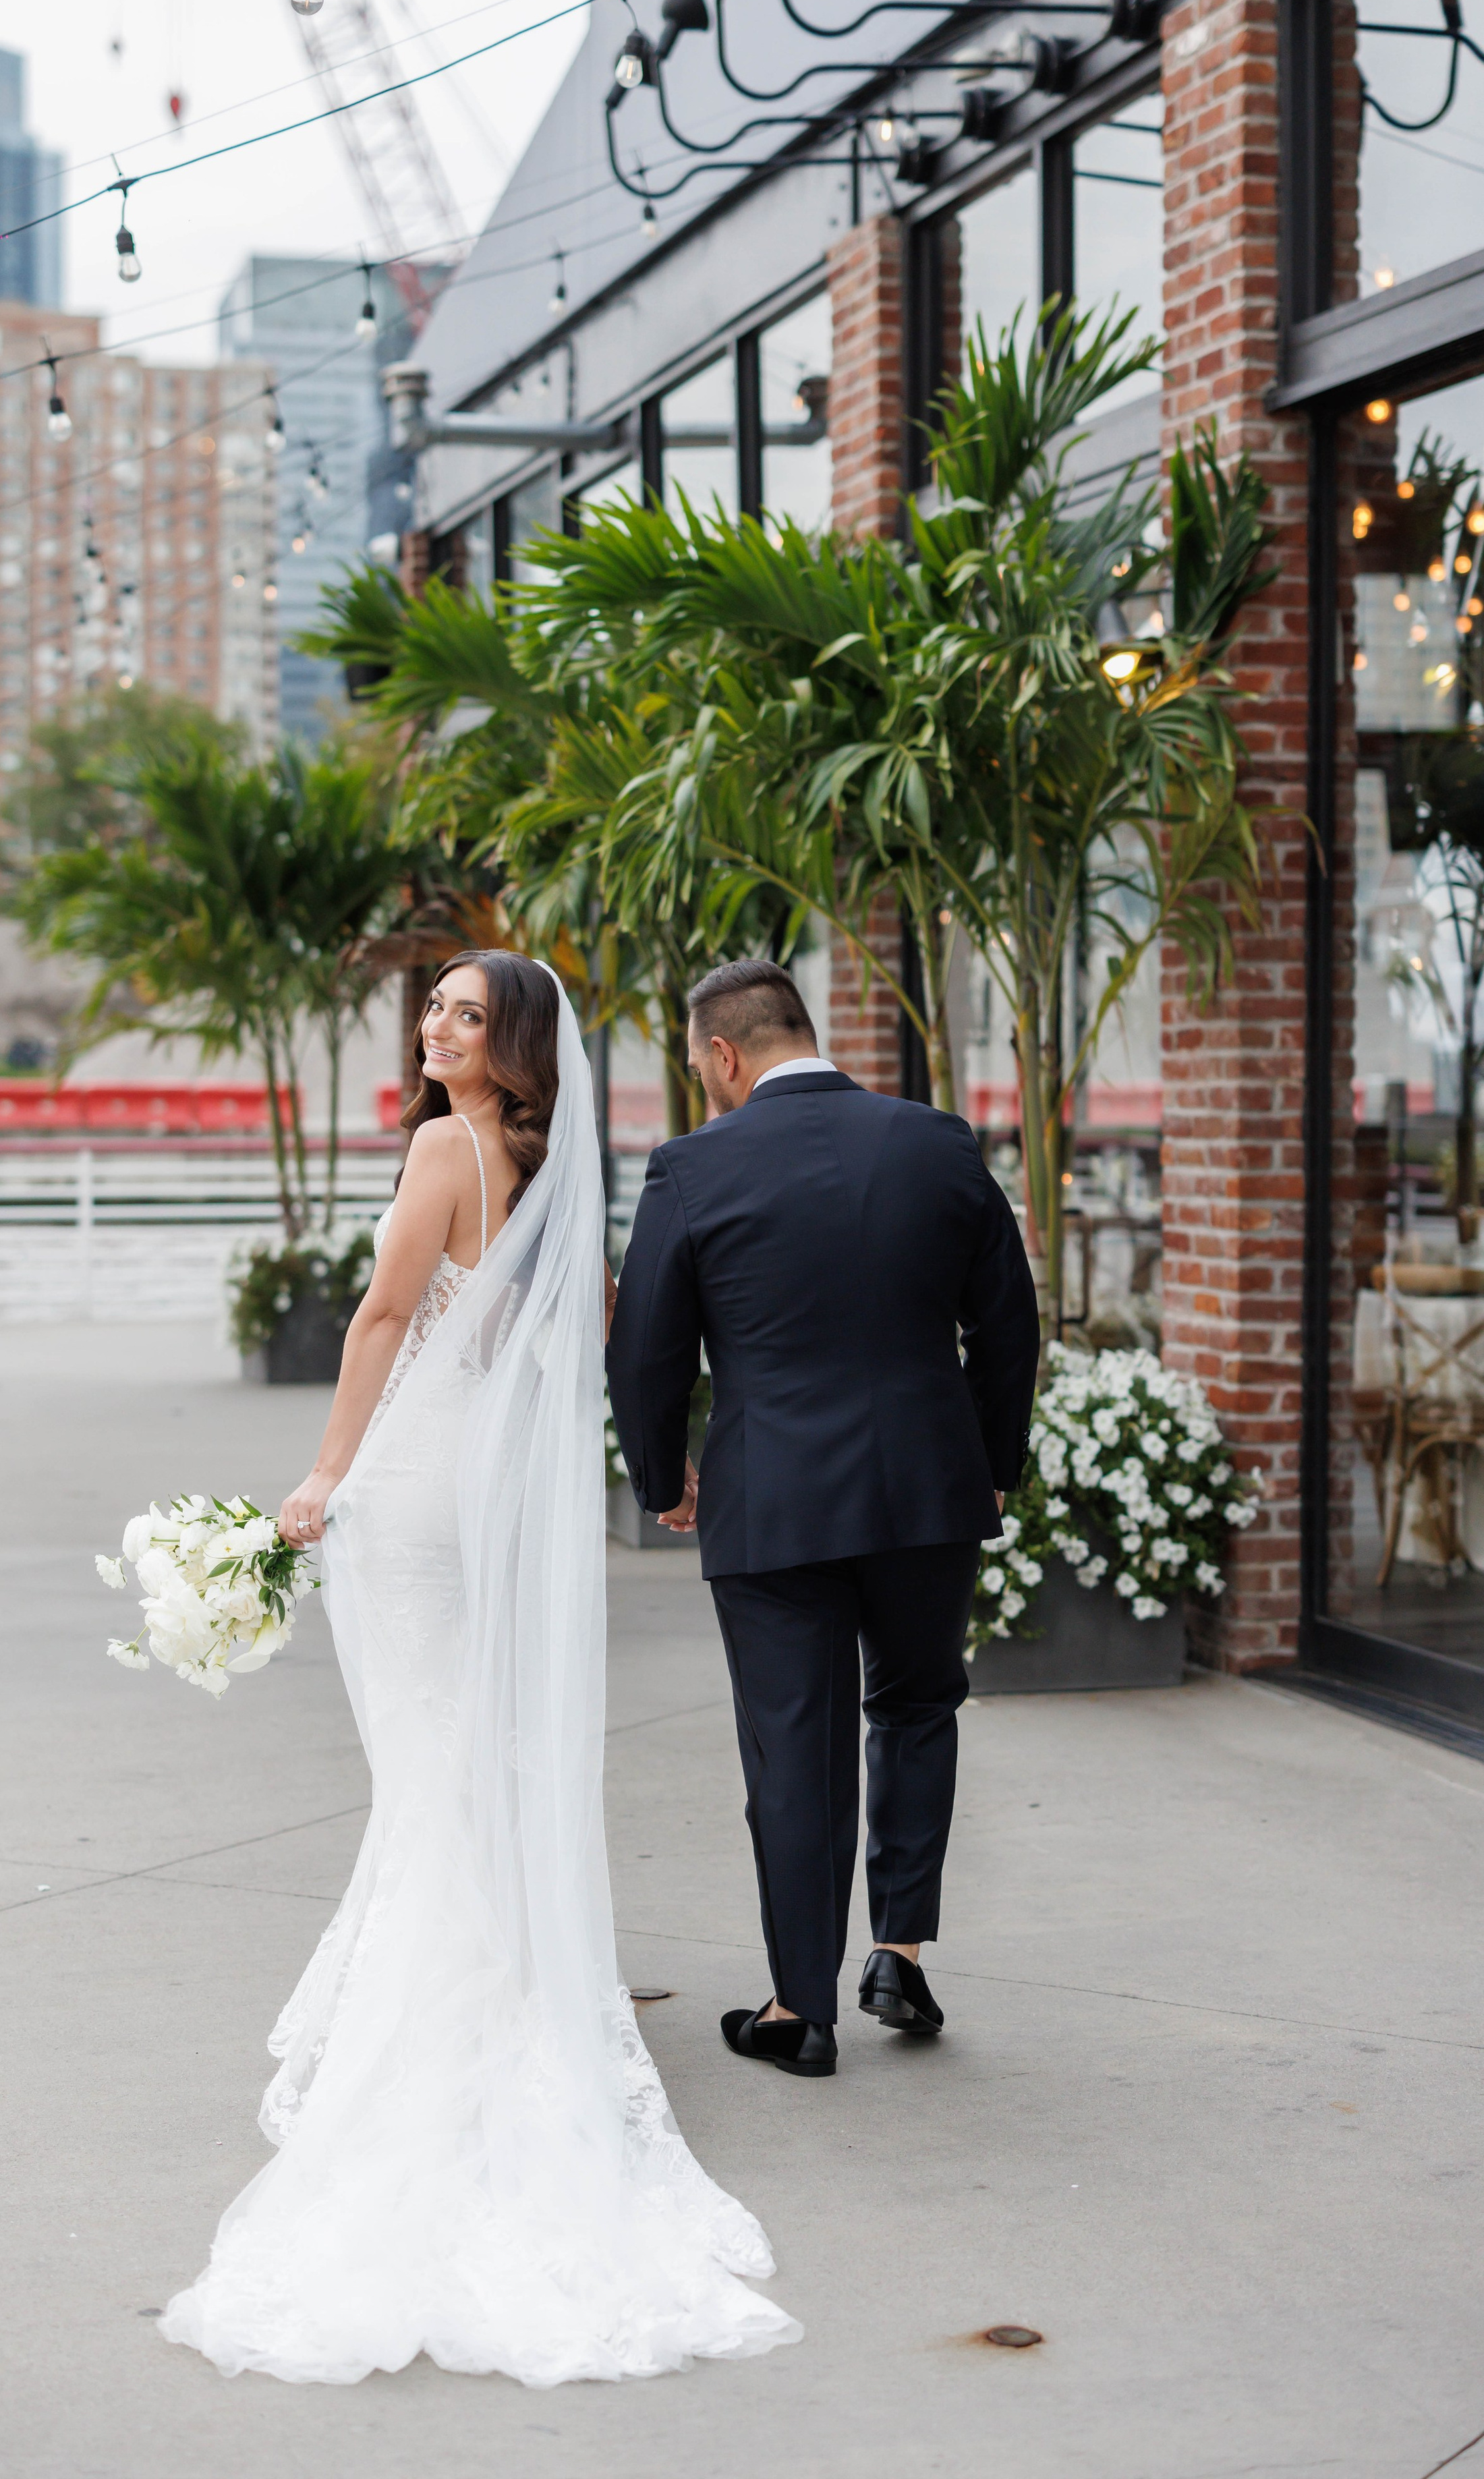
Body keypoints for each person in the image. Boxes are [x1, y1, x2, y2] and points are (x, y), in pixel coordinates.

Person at [161, 952, 799, 2387]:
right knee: (454, 1747)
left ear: (507, 1048)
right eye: (432, 1006)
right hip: (479, 1490)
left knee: (425, 1754)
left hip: (406, 1484)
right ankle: (512, 1985)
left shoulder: (448, 1145)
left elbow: (383, 1320)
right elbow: (563, 1332)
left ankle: (453, 2018)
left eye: (462, 1011)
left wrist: (322, 1472)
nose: (434, 1024)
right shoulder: (541, 1164)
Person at [605, 959, 1039, 2081]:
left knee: (795, 1746)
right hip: (928, 1487)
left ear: (723, 1054)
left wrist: (661, 1476)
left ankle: (801, 2010)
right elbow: (1007, 1319)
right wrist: (995, 1463)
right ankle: (896, 1949)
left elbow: (647, 1346)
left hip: (775, 1495)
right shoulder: (938, 1141)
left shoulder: (693, 1168)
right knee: (916, 1703)